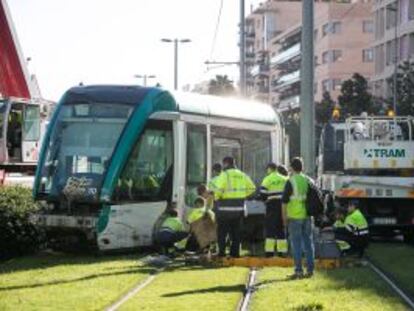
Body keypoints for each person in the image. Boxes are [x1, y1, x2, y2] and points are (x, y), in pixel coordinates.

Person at [214, 156, 256, 258]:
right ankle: (235, 253)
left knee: (222, 233)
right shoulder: (242, 175)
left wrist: (216, 198)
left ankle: (222, 252)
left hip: (224, 210)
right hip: (238, 209)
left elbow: (218, 190)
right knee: (236, 233)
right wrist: (242, 195)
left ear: (226, 163)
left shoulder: (224, 175)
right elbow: (252, 188)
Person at [281, 157, 314, 279]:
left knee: (296, 245)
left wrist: (284, 218)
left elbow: (284, 202)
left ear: (291, 167)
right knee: (308, 244)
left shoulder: (291, 181)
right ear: (302, 167)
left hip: (294, 216)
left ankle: (298, 271)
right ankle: (310, 270)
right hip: (307, 216)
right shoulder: (308, 180)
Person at [260, 162, 288, 257]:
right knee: (281, 229)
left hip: (271, 206)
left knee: (270, 229)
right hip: (283, 206)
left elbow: (263, 194)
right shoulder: (285, 179)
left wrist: (265, 200)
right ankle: (282, 252)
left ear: (269, 169)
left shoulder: (267, 179)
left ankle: (269, 252)